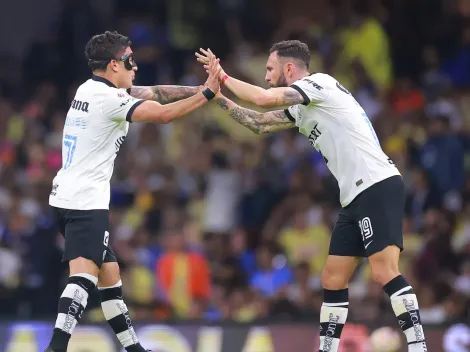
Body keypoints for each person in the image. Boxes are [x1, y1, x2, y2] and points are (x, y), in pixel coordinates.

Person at [196, 41, 427, 352]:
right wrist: (216, 97)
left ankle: (418, 346)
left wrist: (221, 75)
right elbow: (258, 123)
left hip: (376, 183)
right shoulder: (300, 107)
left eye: (269, 69)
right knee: (333, 277)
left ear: (289, 69)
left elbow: (263, 101)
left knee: (384, 270)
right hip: (354, 195)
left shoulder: (319, 84)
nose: (266, 76)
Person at [45, 30, 221, 352]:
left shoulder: (89, 88)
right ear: (113, 64)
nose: (135, 66)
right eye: (129, 60)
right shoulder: (111, 100)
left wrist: (199, 87)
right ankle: (56, 347)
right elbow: (164, 115)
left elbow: (154, 92)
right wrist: (207, 95)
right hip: (86, 202)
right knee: (83, 280)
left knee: (110, 277)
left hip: (64, 197)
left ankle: (134, 349)